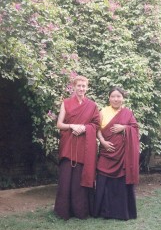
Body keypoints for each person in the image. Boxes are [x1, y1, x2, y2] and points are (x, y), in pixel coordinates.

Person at [54, 76, 100, 220]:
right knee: (67, 177)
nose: (81, 89)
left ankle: (81, 210)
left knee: (82, 176)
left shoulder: (92, 106)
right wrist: (72, 126)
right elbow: (59, 124)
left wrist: (84, 128)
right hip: (69, 144)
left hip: (84, 146)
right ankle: (64, 211)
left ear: (87, 88)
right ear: (73, 87)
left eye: (84, 86)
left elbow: (96, 124)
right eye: (79, 86)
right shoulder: (66, 103)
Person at [94, 87, 140, 220]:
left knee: (120, 183)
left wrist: (124, 128)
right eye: (113, 96)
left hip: (122, 155)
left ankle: (121, 212)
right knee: (103, 180)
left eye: (118, 96)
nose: (116, 99)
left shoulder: (127, 113)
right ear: (109, 98)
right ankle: (103, 211)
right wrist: (102, 142)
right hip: (106, 152)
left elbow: (135, 129)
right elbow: (97, 129)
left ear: (122, 98)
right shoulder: (103, 111)